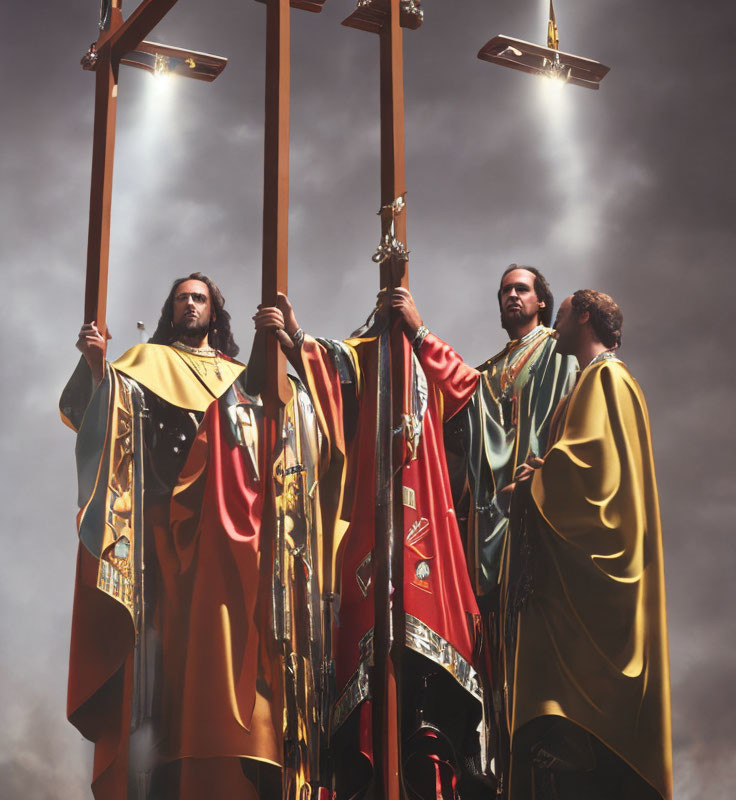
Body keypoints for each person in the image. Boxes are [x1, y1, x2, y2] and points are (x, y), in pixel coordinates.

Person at [254, 292, 493, 799]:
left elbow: (473, 395)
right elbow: (329, 367)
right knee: (372, 652)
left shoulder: (425, 354)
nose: (389, 303)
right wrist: (295, 335)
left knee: (428, 658)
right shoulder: (364, 354)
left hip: (427, 517)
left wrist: (420, 333)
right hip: (371, 515)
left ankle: (438, 751)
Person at [389, 266, 578, 789]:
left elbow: (492, 413)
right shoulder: (493, 367)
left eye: (521, 289)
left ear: (542, 301)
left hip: (530, 516)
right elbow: (460, 417)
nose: (510, 297)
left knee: (529, 654)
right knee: (486, 652)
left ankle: (537, 769)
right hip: (481, 530)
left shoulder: (555, 354)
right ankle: (492, 766)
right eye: (503, 291)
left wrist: (424, 336)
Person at [60, 273, 247, 799]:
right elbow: (93, 416)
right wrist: (98, 367)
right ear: (172, 309)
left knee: (218, 661)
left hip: (221, 542)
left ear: (215, 311)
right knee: (159, 663)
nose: (191, 304)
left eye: (201, 298)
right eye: (183, 298)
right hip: (160, 536)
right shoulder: (145, 363)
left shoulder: (241, 376)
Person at [506, 290, 672, 800]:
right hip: (566, 568)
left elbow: (595, 473)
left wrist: (535, 482)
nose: (553, 322)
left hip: (595, 574)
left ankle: (584, 741)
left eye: (559, 312)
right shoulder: (581, 389)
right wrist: (541, 471)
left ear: (583, 314)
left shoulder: (607, 378)